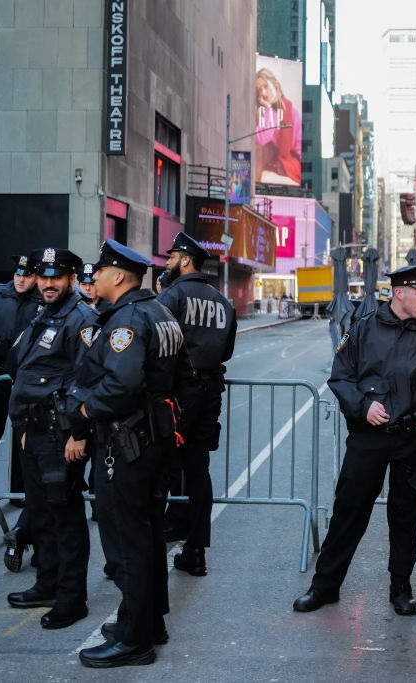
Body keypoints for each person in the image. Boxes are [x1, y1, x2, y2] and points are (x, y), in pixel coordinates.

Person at [293, 264, 416, 615]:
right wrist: (363, 407)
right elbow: (341, 377)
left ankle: (401, 588)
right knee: (348, 512)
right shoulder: (364, 328)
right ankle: (324, 586)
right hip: (368, 439)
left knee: (405, 517)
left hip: (414, 440)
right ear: (399, 292)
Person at [68, 239, 183, 668]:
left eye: (99, 270)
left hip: (127, 441)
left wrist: (83, 410)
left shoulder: (128, 319)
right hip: (153, 437)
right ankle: (148, 622)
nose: (93, 276)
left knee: (126, 540)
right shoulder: (159, 311)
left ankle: (134, 639)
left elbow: (121, 384)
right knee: (147, 534)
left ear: (118, 276)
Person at [4, 248, 97, 630]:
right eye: (43, 276)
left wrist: (78, 434)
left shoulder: (80, 318)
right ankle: (47, 584)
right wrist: (25, 429)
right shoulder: (44, 313)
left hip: (61, 435)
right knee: (41, 515)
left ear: (72, 279)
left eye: (56, 277)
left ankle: (72, 599)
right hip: (35, 431)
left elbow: (86, 380)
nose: (47, 283)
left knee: (65, 518)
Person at [158, 232, 236, 577]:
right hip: (210, 391)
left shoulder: (172, 296)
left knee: (163, 465)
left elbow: (159, 346)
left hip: (178, 394)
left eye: (172, 257)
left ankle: (163, 533)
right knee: (198, 469)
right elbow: (227, 351)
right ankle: (196, 550)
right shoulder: (223, 302)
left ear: (185, 260)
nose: (167, 262)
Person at [0, 252, 44, 570]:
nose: (21, 279)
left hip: (24, 381)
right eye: (18, 274)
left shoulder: (41, 303)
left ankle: (20, 492)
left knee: (23, 440)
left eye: (27, 275)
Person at [255, 67, 302, 185]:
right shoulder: (263, 111)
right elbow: (261, 138)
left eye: (265, 86)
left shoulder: (293, 113)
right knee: (264, 177)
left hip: (290, 165)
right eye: (259, 90)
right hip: (273, 163)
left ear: (275, 84)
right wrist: (268, 109)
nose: (263, 93)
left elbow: (300, 148)